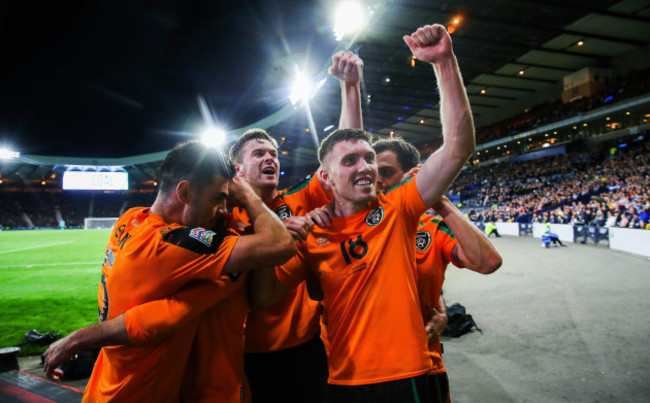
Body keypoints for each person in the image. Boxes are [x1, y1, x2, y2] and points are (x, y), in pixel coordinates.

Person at [253, 23, 476, 402]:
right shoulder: (313, 235)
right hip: (341, 381)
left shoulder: (399, 207)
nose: (365, 167)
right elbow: (262, 297)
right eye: (352, 161)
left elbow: (457, 147)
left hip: (407, 377)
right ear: (325, 178)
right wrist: (280, 241)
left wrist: (444, 62)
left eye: (370, 159)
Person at [43, 140, 297, 402]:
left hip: (105, 387)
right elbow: (279, 245)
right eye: (218, 199)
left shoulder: (131, 219)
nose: (222, 210)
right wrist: (247, 196)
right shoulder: (168, 244)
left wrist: (76, 340)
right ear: (185, 193)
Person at [373, 137, 502, 402]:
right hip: (357, 370)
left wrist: (437, 199)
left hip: (423, 364)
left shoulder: (432, 229)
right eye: (372, 173)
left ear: (410, 175)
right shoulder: (347, 222)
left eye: (386, 173)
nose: (377, 182)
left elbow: (487, 261)